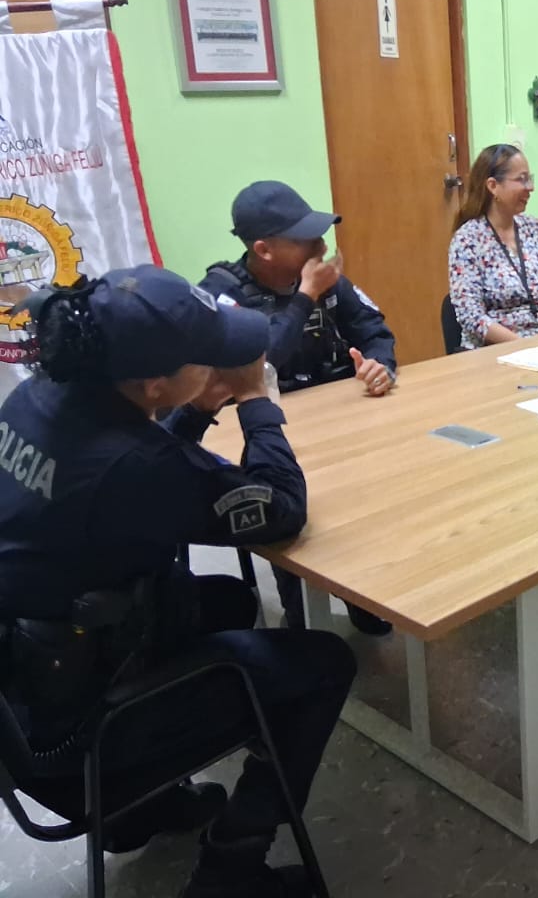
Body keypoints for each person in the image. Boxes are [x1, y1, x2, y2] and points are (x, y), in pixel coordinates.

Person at [0, 266, 355, 898]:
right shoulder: (134, 466)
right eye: (209, 357)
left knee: (228, 600)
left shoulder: (39, 398)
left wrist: (192, 410)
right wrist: (256, 402)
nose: (225, 364)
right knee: (325, 664)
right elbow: (280, 509)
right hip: (77, 743)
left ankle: (145, 810)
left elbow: (140, 476)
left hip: (26, 691)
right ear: (154, 383)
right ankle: (230, 868)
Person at [199, 180, 396, 635]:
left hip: (338, 418)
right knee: (291, 515)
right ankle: (302, 620)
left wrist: (380, 367)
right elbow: (259, 362)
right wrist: (306, 295)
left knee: (368, 498)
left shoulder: (328, 282)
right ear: (264, 250)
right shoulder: (224, 294)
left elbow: (375, 331)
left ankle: (363, 591)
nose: (321, 247)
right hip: (263, 428)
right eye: (306, 240)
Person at [448, 144, 538, 349]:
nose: (530, 187)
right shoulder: (468, 239)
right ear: (493, 186)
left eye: (529, 178)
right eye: (521, 179)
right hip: (498, 350)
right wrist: (527, 347)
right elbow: (471, 315)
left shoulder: (534, 229)